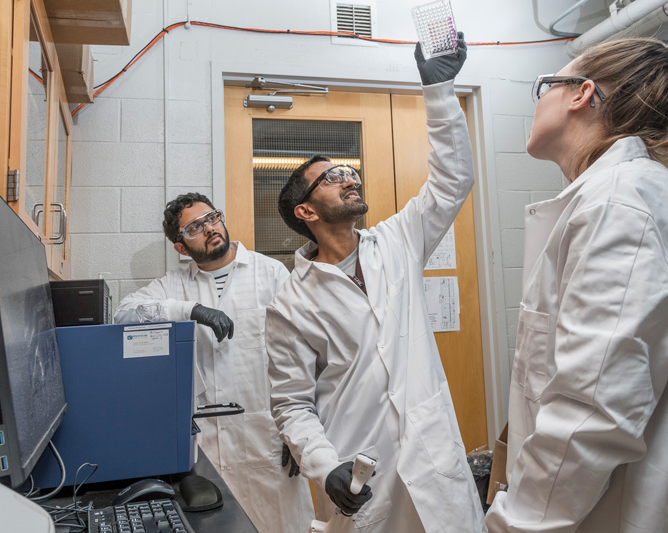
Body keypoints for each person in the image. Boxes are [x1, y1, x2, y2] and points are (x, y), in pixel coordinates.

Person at [266, 33, 485, 532]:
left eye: (349, 169)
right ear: (306, 211)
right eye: (332, 177)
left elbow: (453, 179)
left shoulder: (399, 241)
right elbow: (292, 404)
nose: (350, 178)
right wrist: (323, 467)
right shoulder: (290, 303)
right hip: (360, 470)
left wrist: (440, 89)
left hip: (433, 458)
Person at [485, 38, 668, 532]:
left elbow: (593, 410)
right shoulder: (608, 197)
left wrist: (516, 523)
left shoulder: (621, 201)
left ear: (582, 93)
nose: (539, 100)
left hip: (603, 511)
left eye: (544, 86)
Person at [114, 193, 314, 533]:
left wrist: (302, 434)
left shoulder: (271, 274)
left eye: (212, 218)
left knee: (285, 525)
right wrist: (188, 311)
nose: (209, 228)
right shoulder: (175, 286)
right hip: (208, 448)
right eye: (194, 227)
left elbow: (304, 354)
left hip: (269, 438)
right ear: (181, 247)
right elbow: (123, 314)